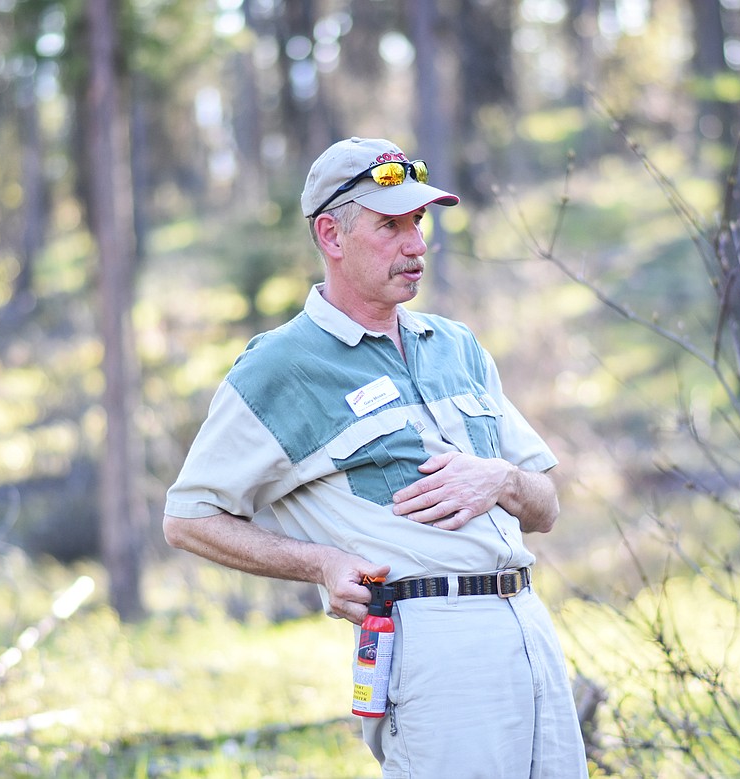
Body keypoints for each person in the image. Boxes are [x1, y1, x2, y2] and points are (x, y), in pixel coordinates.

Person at [162, 136, 589, 778]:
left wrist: (499, 477)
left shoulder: (455, 345)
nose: (416, 244)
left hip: (527, 624)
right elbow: (188, 517)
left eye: (418, 222)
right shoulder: (283, 366)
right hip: (432, 647)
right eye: (390, 226)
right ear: (331, 235)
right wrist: (323, 564)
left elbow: (547, 506)